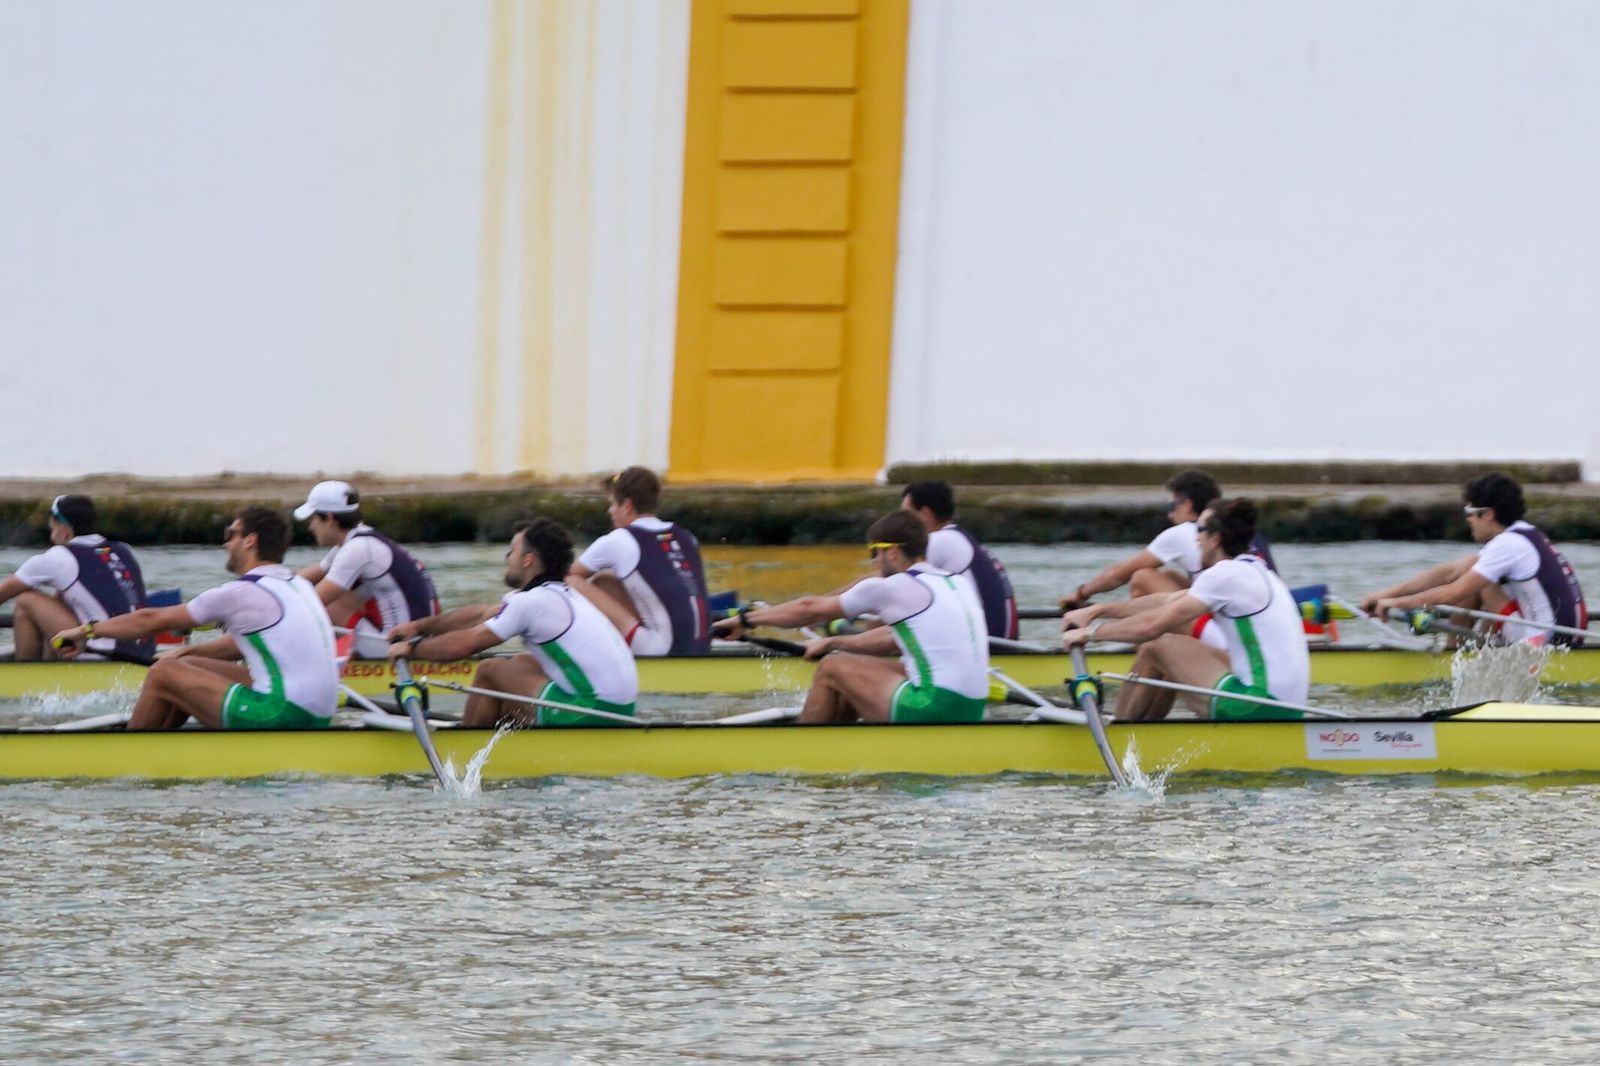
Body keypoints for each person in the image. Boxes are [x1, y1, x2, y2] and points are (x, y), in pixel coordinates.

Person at [53, 507, 338, 730]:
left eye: (231, 533)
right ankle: (163, 738)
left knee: (163, 673)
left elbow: (149, 620)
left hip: (280, 714)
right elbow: (234, 646)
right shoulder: (297, 584)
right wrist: (189, 650)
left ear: (250, 541)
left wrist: (87, 631)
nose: (225, 543)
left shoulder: (241, 592)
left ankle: (128, 753)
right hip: (319, 713)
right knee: (182, 665)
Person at [711, 511, 990, 724]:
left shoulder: (893, 587)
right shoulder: (955, 582)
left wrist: (746, 620)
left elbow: (809, 608)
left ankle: (801, 750)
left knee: (832, 668)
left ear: (892, 552)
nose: (873, 562)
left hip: (934, 708)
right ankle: (841, 745)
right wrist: (832, 642)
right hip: (974, 708)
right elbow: (890, 637)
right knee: (857, 666)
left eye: (874, 553)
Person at [1062, 498, 1309, 721]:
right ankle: (1144, 729)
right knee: (1177, 648)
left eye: (1200, 530)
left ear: (1215, 538)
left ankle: (1120, 732)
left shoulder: (1225, 574)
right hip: (1288, 705)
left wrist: (1089, 634)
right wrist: (1096, 610)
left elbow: (1151, 626)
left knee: (1157, 646)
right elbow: (1168, 601)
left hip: (1256, 706)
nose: (1195, 538)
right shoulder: (1256, 569)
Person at [387, 517, 638, 728]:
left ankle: (464, 752)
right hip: (620, 709)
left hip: (593, 711)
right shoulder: (559, 594)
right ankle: (502, 736)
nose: (507, 557)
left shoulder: (532, 603)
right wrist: (418, 628)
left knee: (489, 670)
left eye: (512, 551)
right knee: (522, 663)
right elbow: (480, 615)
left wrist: (412, 649)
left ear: (528, 559)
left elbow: (463, 646)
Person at [1363, 472, 1587, 646]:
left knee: (1476, 584)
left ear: (1488, 514)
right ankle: (1471, 651)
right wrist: (1385, 594)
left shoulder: (1507, 545)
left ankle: (1453, 657)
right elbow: (1449, 572)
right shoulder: (1525, 534)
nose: (1468, 519)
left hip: (1546, 642)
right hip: (1565, 635)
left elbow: (1453, 591)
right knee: (1475, 573)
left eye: (1470, 511)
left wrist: (1395, 604)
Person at [1061, 469, 1278, 611]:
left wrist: (1081, 594)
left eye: (1170, 506)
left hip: (1229, 616)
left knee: (1142, 577)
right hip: (1264, 609)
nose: (1169, 515)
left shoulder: (1186, 532)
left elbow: (1118, 574)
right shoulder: (1244, 528)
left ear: (1186, 505)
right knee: (1169, 575)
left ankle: (1151, 648)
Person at [567, 466, 711, 656]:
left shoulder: (619, 539)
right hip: (703, 647)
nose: (610, 511)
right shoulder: (686, 536)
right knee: (605, 583)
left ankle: (585, 652)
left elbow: (566, 577)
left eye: (612, 504)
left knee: (571, 580)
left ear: (627, 506)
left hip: (662, 649)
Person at [0, 494, 149, 662]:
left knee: (26, 601)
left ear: (65, 530)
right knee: (62, 596)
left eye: (52, 529)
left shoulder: (59, 556)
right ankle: (50, 666)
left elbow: (3, 593)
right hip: (143, 651)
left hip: (100, 653)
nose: (51, 537)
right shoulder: (123, 550)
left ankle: (25, 678)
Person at [292, 480, 439, 638]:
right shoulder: (362, 539)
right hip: (418, 635)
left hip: (398, 644)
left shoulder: (357, 550)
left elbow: (311, 604)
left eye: (312, 519)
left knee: (325, 603)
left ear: (329, 518)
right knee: (329, 589)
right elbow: (300, 579)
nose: (310, 527)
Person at [901, 479, 1019, 640]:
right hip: (1000, 642)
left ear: (925, 514)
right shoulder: (961, 539)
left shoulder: (941, 541)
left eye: (906, 515)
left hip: (992, 648)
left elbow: (887, 582)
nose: (901, 523)